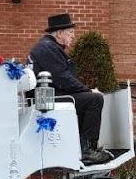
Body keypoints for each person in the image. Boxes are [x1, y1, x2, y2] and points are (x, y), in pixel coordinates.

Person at [29, 13, 111, 166]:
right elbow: (63, 78)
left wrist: (84, 90)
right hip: (47, 99)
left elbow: (63, 78)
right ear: (60, 33)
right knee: (94, 100)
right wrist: (88, 90)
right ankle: (87, 150)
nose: (73, 36)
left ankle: (82, 145)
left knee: (85, 99)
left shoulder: (49, 47)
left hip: (48, 95)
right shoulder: (48, 48)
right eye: (71, 32)